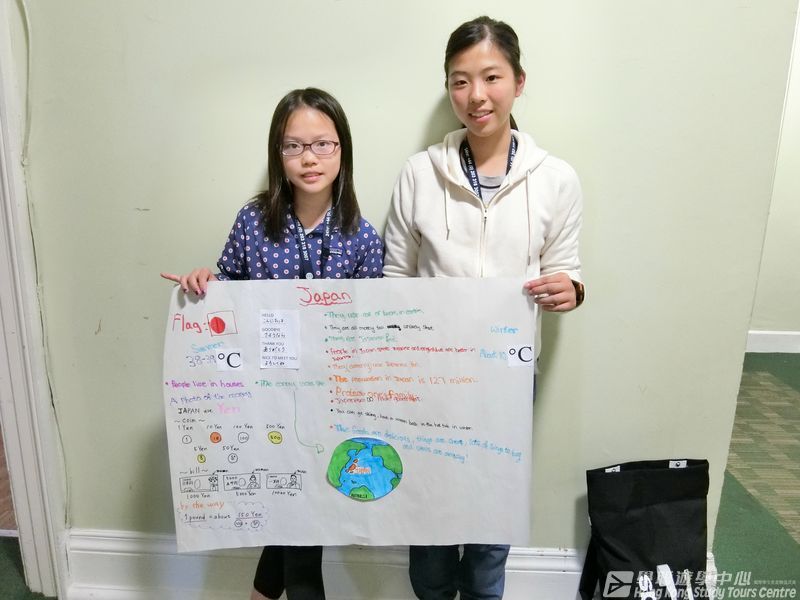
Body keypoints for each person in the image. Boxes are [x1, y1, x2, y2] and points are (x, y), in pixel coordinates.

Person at [383, 16, 585, 600]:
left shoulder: (556, 179)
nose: (476, 95)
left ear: (519, 81)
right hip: (429, 375)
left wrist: (570, 290)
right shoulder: (419, 173)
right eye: (460, 80)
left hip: (507, 374)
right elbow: (395, 277)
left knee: (492, 512)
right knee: (430, 508)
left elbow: (567, 269)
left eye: (491, 77)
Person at [162, 87, 383, 600]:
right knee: (296, 517)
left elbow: (371, 328)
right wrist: (203, 283)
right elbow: (227, 291)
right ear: (278, 154)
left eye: (323, 144)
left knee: (303, 517)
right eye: (294, 146)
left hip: (329, 404)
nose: (309, 158)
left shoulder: (362, 236)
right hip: (263, 401)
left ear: (342, 150)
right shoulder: (253, 222)